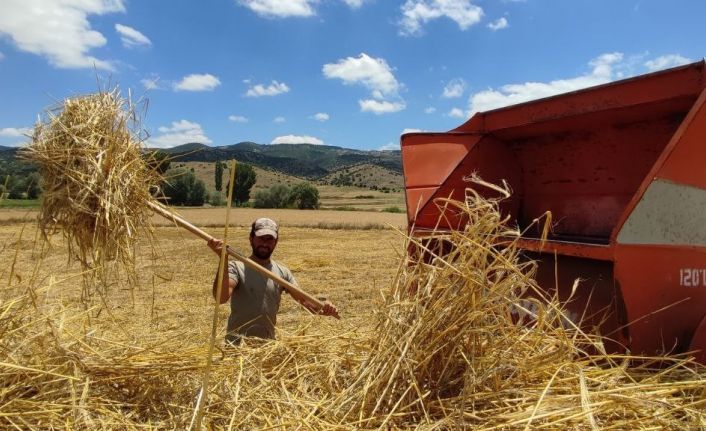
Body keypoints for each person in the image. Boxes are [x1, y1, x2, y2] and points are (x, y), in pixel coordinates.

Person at [208, 217, 338, 345]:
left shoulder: (282, 272)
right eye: (261, 238)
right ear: (251, 239)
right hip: (237, 346)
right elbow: (221, 297)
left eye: (269, 239)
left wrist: (323, 307)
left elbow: (305, 301)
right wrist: (223, 259)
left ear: (276, 242)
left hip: (266, 349)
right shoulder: (236, 267)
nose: (265, 243)